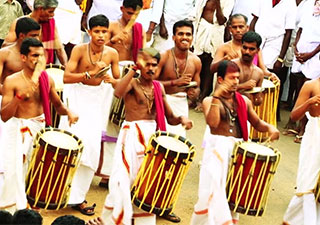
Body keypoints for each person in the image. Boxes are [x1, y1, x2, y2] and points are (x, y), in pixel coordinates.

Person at [102, 47, 193, 225]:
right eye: (147, 65)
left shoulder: (158, 87)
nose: (151, 68)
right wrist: (133, 70)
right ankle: (117, 219)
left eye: (154, 65)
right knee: (124, 177)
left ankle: (140, 219)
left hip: (152, 136)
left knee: (146, 178)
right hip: (131, 134)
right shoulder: (132, 83)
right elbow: (118, 92)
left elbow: (171, 118)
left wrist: (182, 119)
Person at [191, 60, 280, 225]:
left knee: (231, 194)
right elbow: (213, 123)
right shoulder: (209, 101)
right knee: (210, 194)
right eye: (231, 78)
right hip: (217, 152)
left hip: (237, 152)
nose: (236, 82)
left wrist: (270, 128)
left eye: (237, 78)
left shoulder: (244, 101)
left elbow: (258, 123)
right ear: (220, 80)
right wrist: (217, 95)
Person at [0, 38, 77, 213]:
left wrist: (70, 112)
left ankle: (25, 207)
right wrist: (18, 98)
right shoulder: (12, 81)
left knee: (34, 169)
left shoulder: (47, 79)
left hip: (39, 129)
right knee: (14, 171)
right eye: (35, 55)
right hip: (17, 129)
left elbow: (58, 105)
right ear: (23, 58)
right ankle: (14, 210)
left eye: (41, 55)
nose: (39, 59)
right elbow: (4, 116)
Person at [62, 14, 120, 216]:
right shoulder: (79, 49)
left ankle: (78, 198)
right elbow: (66, 77)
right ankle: (58, 194)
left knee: (92, 150)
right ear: (89, 32)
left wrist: (109, 78)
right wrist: (89, 74)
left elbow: (118, 83)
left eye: (104, 31)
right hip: (77, 99)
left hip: (98, 103)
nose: (101, 35)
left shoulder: (112, 53)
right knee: (71, 146)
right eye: (97, 31)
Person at [250, 0, 297, 120]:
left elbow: (288, 32)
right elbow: (254, 19)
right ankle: (252, 108)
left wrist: (280, 58)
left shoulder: (290, 3)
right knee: (253, 72)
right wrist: (249, 40)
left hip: (275, 42)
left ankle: (267, 112)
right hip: (258, 40)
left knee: (268, 76)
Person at [282, 78, 320, 225]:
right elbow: (294, 116)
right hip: (314, 138)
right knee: (308, 182)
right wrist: (309, 103)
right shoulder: (310, 85)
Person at [155, 19, 201, 137]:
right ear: (174, 37)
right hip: (162, 102)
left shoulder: (196, 61)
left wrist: (194, 93)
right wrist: (175, 82)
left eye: (188, 34)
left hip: (182, 104)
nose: (184, 37)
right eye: (180, 34)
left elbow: (197, 87)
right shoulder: (164, 56)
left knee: (177, 142)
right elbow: (150, 83)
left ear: (192, 38)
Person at [192, 0, 234, 109]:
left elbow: (222, 20)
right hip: (201, 29)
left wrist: (217, 3)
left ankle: (203, 97)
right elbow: (197, 14)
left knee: (210, 65)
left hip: (216, 32)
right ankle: (194, 96)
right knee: (198, 62)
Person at [3, 0, 68, 65]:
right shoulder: (20, 23)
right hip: (23, 68)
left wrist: (65, 67)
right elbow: (5, 46)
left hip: (45, 69)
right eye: (50, 11)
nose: (52, 15)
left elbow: (59, 49)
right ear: (40, 9)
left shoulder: (51, 22)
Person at [0, 17, 40, 94]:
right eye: (33, 35)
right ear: (21, 36)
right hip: (6, 99)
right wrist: (13, 96)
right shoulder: (4, 54)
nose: (37, 39)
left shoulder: (38, 55)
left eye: (38, 35)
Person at [233, 31, 264, 106]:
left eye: (251, 49)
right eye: (245, 47)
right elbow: (219, 90)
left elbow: (257, 102)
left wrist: (259, 98)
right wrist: (242, 86)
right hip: (228, 111)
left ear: (257, 50)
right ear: (241, 46)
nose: (247, 52)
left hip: (246, 112)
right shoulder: (231, 65)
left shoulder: (259, 73)